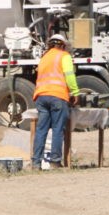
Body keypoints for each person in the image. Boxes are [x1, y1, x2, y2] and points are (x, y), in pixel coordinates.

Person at [31, 34, 81, 169]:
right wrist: (75, 92)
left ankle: (36, 163)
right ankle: (55, 162)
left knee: (41, 130)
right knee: (58, 130)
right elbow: (69, 75)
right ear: (63, 45)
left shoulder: (44, 57)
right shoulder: (64, 56)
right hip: (58, 96)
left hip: (41, 96)